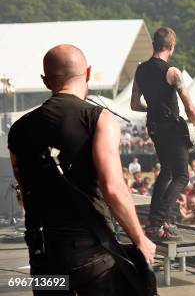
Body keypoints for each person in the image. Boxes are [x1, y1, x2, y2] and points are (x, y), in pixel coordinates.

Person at [8, 44, 156, 293]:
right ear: (87, 73)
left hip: (43, 257)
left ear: (46, 81)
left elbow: (23, 191)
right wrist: (140, 239)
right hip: (91, 255)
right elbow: (112, 187)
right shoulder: (98, 118)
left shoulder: (19, 129)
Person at [131, 27, 195, 241]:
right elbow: (190, 107)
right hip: (172, 127)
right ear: (171, 47)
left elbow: (134, 104)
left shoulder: (140, 70)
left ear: (154, 45)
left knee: (167, 172)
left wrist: (152, 108)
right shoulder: (172, 72)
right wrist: (194, 123)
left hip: (154, 127)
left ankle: (155, 220)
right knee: (181, 175)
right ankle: (158, 223)